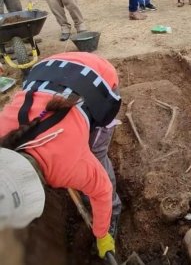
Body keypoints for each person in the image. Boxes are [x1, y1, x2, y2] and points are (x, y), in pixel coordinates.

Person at [0, 52, 122, 260]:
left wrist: (101, 235)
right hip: (47, 68)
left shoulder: (71, 167)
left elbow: (102, 191)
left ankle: (114, 216)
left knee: (97, 153)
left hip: (98, 76)